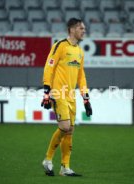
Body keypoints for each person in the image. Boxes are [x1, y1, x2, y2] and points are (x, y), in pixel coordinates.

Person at [41, 18, 92, 177]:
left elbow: (81, 76)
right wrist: (46, 92)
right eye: (81, 28)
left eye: (84, 28)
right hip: (58, 93)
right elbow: (49, 67)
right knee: (64, 127)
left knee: (69, 130)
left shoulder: (80, 51)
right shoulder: (60, 46)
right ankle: (48, 159)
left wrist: (86, 98)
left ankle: (65, 167)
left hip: (71, 95)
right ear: (72, 29)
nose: (84, 31)